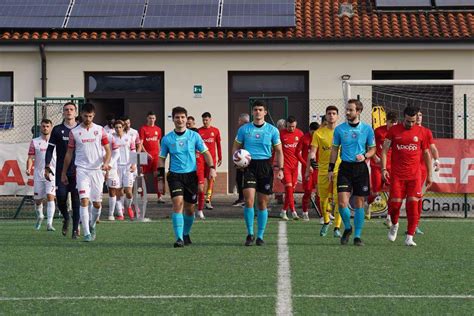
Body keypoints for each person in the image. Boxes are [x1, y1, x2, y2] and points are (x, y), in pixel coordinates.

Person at [158, 106, 216, 247]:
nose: (180, 120)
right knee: (178, 204)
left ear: (186, 118)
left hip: (191, 176)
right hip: (175, 176)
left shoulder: (194, 136)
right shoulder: (167, 139)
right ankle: (179, 238)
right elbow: (161, 159)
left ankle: (185, 233)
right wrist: (160, 179)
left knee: (190, 209)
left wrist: (212, 168)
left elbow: (206, 153)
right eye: (177, 117)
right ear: (173, 119)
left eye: (183, 117)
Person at [232, 100, 284, 246]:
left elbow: (279, 151)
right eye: (255, 109)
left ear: (265, 112)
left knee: (262, 203)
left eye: (260, 110)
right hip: (248, 166)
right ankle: (250, 234)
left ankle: (260, 235)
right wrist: (236, 160)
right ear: (252, 112)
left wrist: (280, 169)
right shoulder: (244, 129)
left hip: (265, 166)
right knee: (248, 200)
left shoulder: (272, 130)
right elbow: (236, 146)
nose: (257, 112)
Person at [382, 105, 432, 247]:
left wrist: (430, 174)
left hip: (414, 176)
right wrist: (384, 168)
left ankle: (409, 237)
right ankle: (395, 224)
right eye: (408, 121)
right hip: (397, 175)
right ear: (404, 118)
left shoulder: (422, 132)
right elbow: (385, 150)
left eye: (413, 121)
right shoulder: (394, 130)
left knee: (413, 205)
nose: (411, 124)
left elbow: (427, 154)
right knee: (395, 205)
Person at [329, 100, 376, 246]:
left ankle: (357, 236)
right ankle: (348, 228)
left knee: (359, 203)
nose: (347, 112)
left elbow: (373, 149)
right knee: (342, 202)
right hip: (345, 168)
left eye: (351, 110)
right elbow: (335, 150)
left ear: (359, 111)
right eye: (347, 110)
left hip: (360, 169)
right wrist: (330, 169)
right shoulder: (339, 129)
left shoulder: (367, 129)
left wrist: (366, 156)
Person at [62, 103, 112, 242]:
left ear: (94, 115)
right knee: (84, 200)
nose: (88, 118)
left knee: (96, 204)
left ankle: (93, 224)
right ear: (81, 115)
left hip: (97, 171)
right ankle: (86, 233)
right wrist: (63, 172)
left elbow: (108, 150)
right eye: (85, 116)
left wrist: (106, 163)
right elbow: (69, 153)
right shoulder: (74, 132)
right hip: (82, 169)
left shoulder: (100, 130)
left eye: (90, 116)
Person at [45, 102, 80, 238]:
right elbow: (49, 149)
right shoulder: (57, 130)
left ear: (75, 112)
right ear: (63, 112)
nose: (69, 112)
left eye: (71, 109)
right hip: (61, 171)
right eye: (66, 110)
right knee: (60, 198)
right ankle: (66, 217)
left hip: (78, 170)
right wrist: (47, 166)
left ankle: (75, 229)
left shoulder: (80, 129)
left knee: (76, 200)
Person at [306, 106, 343, 237]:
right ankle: (326, 222)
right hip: (323, 170)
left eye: (334, 113)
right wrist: (312, 159)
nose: (331, 116)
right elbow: (313, 151)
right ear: (326, 116)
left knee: (339, 199)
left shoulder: (342, 131)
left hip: (339, 170)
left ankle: (337, 227)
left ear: (337, 116)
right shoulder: (318, 133)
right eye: (329, 113)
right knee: (323, 198)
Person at [369, 111, 398, 226]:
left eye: (395, 123)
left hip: (392, 166)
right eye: (391, 123)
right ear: (387, 121)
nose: (393, 125)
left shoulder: (398, 132)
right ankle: (369, 203)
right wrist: (375, 157)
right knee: (376, 191)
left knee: (393, 192)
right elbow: (371, 145)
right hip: (377, 165)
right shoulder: (378, 131)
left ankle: (389, 217)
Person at [27, 119, 56, 231]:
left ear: (51, 127)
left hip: (51, 173)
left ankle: (49, 223)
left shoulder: (55, 142)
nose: (45, 128)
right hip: (38, 174)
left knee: (50, 196)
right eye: (43, 126)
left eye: (47, 126)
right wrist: (29, 168)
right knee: (38, 200)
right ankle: (40, 216)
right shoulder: (35, 141)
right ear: (41, 128)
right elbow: (30, 157)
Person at [415, 110, 440, 234]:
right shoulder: (405, 130)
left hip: (422, 169)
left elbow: (433, 148)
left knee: (418, 197)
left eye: (420, 115)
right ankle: (392, 220)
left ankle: (414, 225)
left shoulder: (426, 132)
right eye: (416, 115)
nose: (418, 117)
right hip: (407, 169)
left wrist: (437, 160)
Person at [107, 120, 136, 221]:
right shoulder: (111, 137)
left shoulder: (129, 137)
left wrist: (133, 164)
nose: (118, 129)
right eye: (116, 127)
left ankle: (128, 206)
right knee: (118, 191)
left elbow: (133, 151)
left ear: (123, 127)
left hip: (127, 167)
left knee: (128, 191)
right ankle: (120, 212)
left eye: (120, 127)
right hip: (116, 167)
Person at [279, 116, 304, 221]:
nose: (291, 129)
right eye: (289, 127)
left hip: (295, 167)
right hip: (285, 167)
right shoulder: (281, 134)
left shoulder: (300, 134)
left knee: (290, 191)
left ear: (296, 124)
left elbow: (303, 149)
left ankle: (283, 211)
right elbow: (277, 150)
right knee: (289, 188)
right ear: (286, 125)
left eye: (293, 126)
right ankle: (293, 211)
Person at [198, 112, 222, 212]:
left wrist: (220, 157)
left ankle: (208, 200)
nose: (205, 122)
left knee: (211, 179)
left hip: (211, 160)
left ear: (210, 119)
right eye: (203, 120)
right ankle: (200, 200)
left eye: (206, 120)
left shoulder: (215, 131)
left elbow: (218, 145)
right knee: (200, 181)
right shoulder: (198, 131)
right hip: (200, 160)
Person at [296, 121, 320, 221]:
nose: (314, 134)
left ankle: (323, 213)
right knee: (308, 191)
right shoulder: (304, 138)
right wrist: (306, 165)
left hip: (319, 169)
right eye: (313, 132)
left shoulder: (320, 138)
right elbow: (297, 153)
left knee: (321, 192)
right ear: (310, 130)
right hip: (307, 169)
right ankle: (305, 212)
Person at [139, 112, 164, 203]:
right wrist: (145, 153)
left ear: (155, 118)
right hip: (145, 156)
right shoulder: (143, 129)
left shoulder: (158, 129)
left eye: (153, 118)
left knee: (157, 176)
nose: (151, 120)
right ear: (147, 118)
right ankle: (142, 197)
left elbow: (158, 142)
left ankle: (159, 197)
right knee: (143, 176)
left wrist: (160, 153)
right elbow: (141, 143)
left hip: (156, 156)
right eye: (150, 118)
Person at [186, 116, 206, 219]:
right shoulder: (186, 145)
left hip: (200, 169)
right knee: (191, 192)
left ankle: (200, 210)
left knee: (201, 190)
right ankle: (191, 211)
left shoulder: (201, 144)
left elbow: (206, 155)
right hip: (189, 170)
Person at [232, 113, 250, 207]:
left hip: (246, 159)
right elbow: (236, 145)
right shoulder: (241, 130)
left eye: (239, 121)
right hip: (240, 159)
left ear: (244, 121)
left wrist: (242, 159)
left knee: (244, 179)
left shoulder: (247, 130)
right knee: (239, 179)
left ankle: (244, 199)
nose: (238, 122)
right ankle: (241, 198)